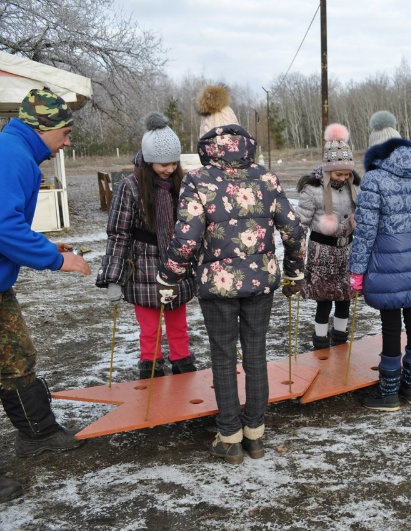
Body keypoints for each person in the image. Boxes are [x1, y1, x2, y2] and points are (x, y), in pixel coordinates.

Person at [158, 124, 306, 464]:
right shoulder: (266, 178)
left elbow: (187, 239)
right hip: (260, 282)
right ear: (246, 148)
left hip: (218, 283)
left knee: (223, 359)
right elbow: (294, 229)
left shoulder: (197, 180)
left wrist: (168, 278)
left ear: (208, 149)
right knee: (255, 354)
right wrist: (295, 272)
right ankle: (255, 434)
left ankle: (230, 437)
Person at [0, 88, 92, 502]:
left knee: (15, 357)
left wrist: (45, 245)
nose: (68, 142)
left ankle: (37, 433)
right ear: (44, 127)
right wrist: (53, 260)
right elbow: (2, 225)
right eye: (66, 131)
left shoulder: (15, 149)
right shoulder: (12, 155)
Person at [95, 113, 197, 379]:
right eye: (163, 163)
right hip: (143, 268)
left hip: (176, 265)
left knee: (178, 325)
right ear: (149, 159)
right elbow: (119, 233)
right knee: (150, 328)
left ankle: (183, 366)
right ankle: (151, 370)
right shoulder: (130, 187)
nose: (169, 169)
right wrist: (113, 278)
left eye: (174, 162)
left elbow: (194, 227)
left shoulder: (182, 185)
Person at [349, 111, 411, 412]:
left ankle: (388, 392)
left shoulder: (373, 180)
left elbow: (365, 232)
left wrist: (357, 272)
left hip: (385, 264)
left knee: (390, 323)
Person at [295, 124, 360, 349]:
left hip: (346, 252)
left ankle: (340, 338)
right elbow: (301, 220)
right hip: (322, 252)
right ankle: (320, 339)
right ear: (327, 170)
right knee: (324, 300)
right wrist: (297, 248)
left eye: (347, 173)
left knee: (345, 298)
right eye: (338, 173)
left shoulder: (354, 187)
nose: (343, 178)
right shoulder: (312, 190)